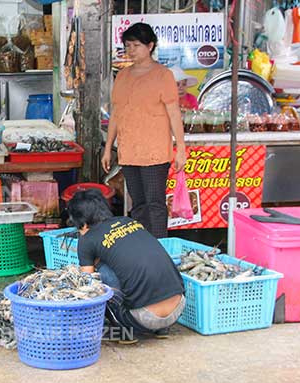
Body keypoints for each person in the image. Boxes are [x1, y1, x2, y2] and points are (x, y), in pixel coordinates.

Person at [102, 22, 187, 238]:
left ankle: (160, 248)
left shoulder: (163, 75)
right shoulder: (122, 76)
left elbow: (174, 113)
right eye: (128, 46)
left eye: (136, 45)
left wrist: (181, 148)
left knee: (155, 203)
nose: (131, 50)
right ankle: (142, 248)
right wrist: (107, 149)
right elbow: (116, 114)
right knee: (138, 204)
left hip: (155, 152)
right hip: (129, 151)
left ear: (150, 46)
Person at [68, 189, 185, 343]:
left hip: (144, 318)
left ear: (79, 219)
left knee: (101, 272)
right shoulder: (129, 221)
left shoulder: (87, 239)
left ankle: (124, 333)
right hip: (178, 308)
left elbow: (87, 284)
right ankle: (161, 329)